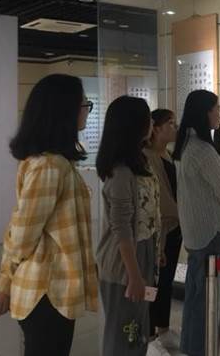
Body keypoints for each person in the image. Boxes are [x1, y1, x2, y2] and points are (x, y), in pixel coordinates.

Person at [0, 74, 98, 356]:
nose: (86, 111)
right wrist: (3, 282)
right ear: (64, 111)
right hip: (47, 292)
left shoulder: (56, 162)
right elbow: (22, 233)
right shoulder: (49, 166)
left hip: (53, 291)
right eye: (83, 105)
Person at [173, 90, 220, 356]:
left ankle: (192, 347)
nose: (219, 114)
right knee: (211, 299)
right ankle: (202, 349)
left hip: (194, 232)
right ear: (205, 112)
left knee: (196, 295)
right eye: (216, 108)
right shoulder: (202, 150)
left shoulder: (185, 146)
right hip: (212, 231)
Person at [96, 96, 161, 356]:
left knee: (138, 330)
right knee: (124, 332)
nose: (152, 122)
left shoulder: (141, 163)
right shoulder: (121, 172)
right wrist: (133, 275)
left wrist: (156, 250)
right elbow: (121, 228)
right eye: (148, 118)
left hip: (143, 252)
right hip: (124, 262)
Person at [145, 109, 181, 355]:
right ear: (156, 128)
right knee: (154, 281)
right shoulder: (146, 157)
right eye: (170, 123)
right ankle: (149, 332)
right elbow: (158, 198)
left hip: (174, 227)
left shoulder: (167, 154)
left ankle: (163, 327)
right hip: (159, 228)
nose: (174, 128)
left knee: (166, 280)